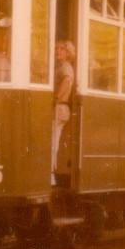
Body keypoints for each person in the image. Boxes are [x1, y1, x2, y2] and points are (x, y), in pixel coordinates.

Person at [52, 39, 75, 177]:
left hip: (59, 108)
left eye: (61, 49)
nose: (57, 51)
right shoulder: (62, 66)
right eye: (56, 48)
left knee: (53, 142)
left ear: (67, 53)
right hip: (61, 108)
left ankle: (51, 174)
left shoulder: (65, 67)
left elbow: (66, 82)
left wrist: (56, 98)